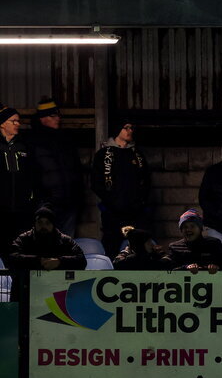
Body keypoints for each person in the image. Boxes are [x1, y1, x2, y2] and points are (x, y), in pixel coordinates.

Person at [91, 119, 151, 258]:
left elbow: (146, 181)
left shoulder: (138, 154)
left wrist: (140, 203)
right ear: (118, 130)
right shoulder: (103, 155)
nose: (130, 131)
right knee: (111, 248)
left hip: (136, 213)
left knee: (138, 249)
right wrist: (111, 203)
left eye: (131, 127)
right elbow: (96, 183)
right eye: (126, 128)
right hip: (113, 213)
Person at [29, 97, 84, 237]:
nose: (57, 118)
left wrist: (77, 196)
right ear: (42, 118)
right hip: (46, 204)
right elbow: (31, 174)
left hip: (69, 203)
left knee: (66, 245)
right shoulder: (32, 141)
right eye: (53, 115)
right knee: (45, 244)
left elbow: (77, 169)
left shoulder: (66, 139)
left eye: (58, 115)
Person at [0, 106, 35, 257]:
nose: (17, 124)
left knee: (22, 250)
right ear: (2, 124)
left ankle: (20, 281)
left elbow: (33, 174)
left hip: (23, 210)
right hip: (2, 210)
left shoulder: (24, 145)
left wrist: (32, 198)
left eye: (18, 121)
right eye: (13, 121)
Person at [7, 206, 86, 271]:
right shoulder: (23, 239)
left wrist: (59, 262)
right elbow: (11, 258)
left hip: (56, 287)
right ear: (35, 224)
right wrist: (39, 261)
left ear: (53, 225)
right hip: (27, 287)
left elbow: (81, 261)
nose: (43, 226)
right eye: (40, 222)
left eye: (47, 223)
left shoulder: (65, 241)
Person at [167, 209, 222, 274]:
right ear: (181, 230)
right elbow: (169, 270)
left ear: (200, 228)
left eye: (192, 226)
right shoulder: (174, 247)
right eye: (185, 227)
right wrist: (186, 267)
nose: (188, 229)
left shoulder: (214, 244)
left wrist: (216, 268)